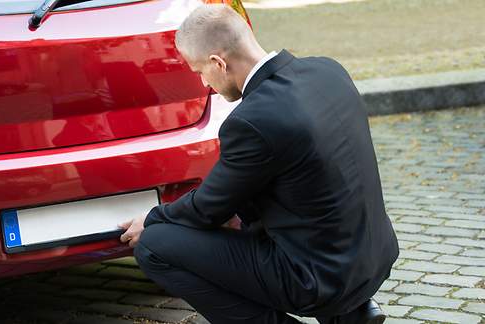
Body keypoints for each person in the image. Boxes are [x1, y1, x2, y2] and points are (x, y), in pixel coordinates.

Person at [117, 4, 399, 324]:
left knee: (154, 246)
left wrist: (153, 218)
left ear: (218, 63)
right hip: (374, 256)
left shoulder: (251, 120)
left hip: (316, 279)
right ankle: (351, 314)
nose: (205, 83)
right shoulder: (328, 70)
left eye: (199, 72)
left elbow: (208, 208)